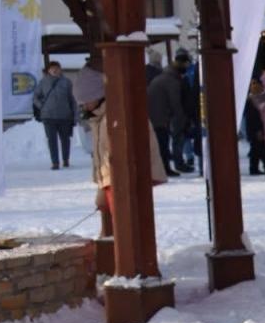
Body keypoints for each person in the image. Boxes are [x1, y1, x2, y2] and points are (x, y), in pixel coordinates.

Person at [80, 52, 166, 236]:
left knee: (127, 229)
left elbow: (118, 157)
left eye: (86, 100)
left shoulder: (114, 116)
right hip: (113, 181)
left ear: (99, 95)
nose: (84, 106)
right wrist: (102, 185)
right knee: (121, 228)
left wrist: (109, 184)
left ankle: (130, 262)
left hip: (123, 181)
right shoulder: (99, 117)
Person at [146, 56, 186, 178]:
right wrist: (181, 118)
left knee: (160, 143)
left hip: (155, 115)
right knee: (162, 143)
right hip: (160, 117)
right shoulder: (171, 81)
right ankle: (165, 168)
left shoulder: (162, 78)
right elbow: (175, 103)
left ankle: (164, 167)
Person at [32, 61, 76, 170]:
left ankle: (66, 160)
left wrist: (75, 115)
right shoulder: (43, 82)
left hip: (64, 115)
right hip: (48, 116)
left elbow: (72, 99)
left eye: (57, 68)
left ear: (60, 69)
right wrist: (42, 106)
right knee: (52, 140)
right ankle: (55, 162)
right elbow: (35, 97)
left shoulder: (67, 82)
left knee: (65, 139)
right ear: (48, 70)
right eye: (52, 68)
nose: (55, 70)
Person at [172, 49, 201, 174]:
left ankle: (189, 157)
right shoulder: (191, 73)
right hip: (188, 109)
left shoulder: (180, 75)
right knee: (187, 135)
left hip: (184, 110)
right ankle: (192, 159)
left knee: (185, 136)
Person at [242, 78, 265, 176]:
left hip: (255, 128)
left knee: (255, 149)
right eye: (253, 84)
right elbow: (253, 117)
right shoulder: (252, 100)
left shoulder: (252, 99)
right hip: (255, 129)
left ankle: (255, 168)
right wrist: (258, 130)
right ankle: (255, 168)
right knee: (257, 149)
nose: (254, 86)